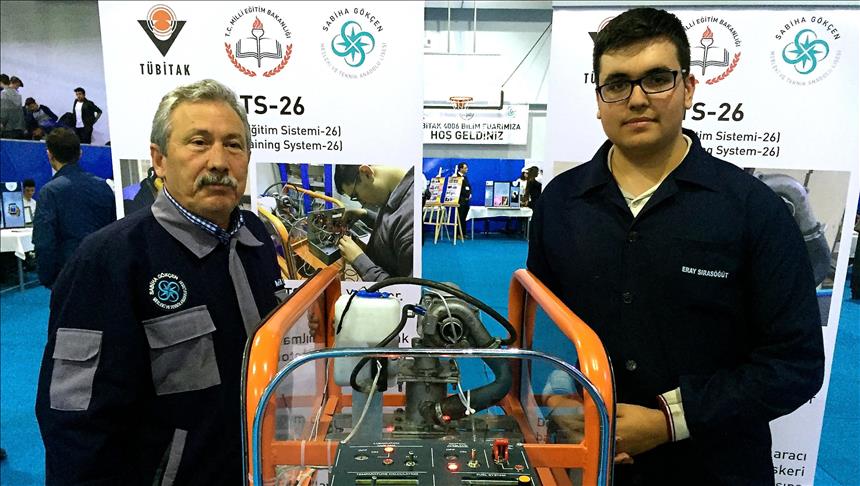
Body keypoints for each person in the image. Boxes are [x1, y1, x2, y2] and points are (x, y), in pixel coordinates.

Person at [527, 8, 824, 485]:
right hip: (590, 464)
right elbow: (546, 330)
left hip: (715, 469)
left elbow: (796, 364)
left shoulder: (754, 209)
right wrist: (559, 398)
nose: (637, 99)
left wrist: (671, 421)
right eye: (617, 84)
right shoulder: (560, 203)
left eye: (657, 79)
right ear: (599, 100)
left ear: (688, 89)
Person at [36, 79, 282, 485]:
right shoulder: (109, 260)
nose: (219, 161)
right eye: (199, 142)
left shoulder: (254, 238)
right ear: (160, 159)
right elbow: (75, 423)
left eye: (233, 145)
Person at [32, 128, 116, 287]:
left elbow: (44, 242)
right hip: (102, 271)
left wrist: (49, 279)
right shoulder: (103, 187)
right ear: (80, 153)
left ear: (50, 155)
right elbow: (114, 230)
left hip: (67, 274)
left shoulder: (49, 192)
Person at [335, 164, 413, 281]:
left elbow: (404, 289)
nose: (361, 203)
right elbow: (393, 225)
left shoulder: (411, 219)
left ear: (366, 173)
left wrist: (359, 260)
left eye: (356, 196)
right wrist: (365, 214)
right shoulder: (393, 193)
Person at [454, 162, 472, 237]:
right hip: (460, 201)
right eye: (465, 168)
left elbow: (468, 187)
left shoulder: (465, 177)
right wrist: (465, 194)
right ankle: (458, 233)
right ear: (461, 169)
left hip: (466, 201)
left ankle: (463, 233)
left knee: (464, 217)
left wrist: (470, 194)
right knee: (459, 217)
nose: (467, 169)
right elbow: (458, 189)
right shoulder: (456, 177)